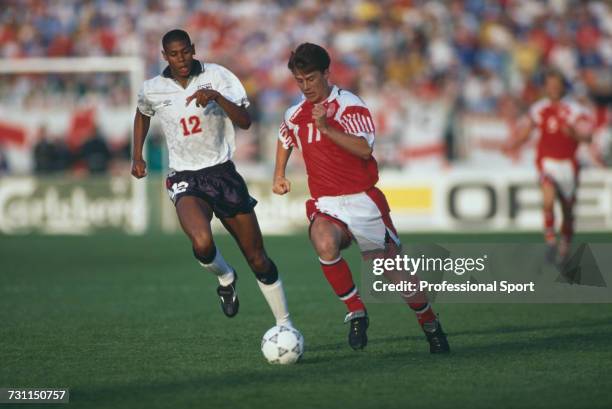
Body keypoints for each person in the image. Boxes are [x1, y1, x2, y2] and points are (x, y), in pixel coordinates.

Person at [273, 43, 449, 353]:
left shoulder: (350, 105)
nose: (305, 86)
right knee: (323, 240)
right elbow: (285, 135)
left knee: (395, 275)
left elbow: (364, 149)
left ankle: (430, 324)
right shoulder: (295, 112)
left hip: (364, 202)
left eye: (311, 78)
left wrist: (326, 127)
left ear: (327, 73)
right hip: (327, 203)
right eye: (299, 80)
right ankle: (356, 310)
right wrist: (279, 174)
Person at [131, 29, 292, 328]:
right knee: (202, 243)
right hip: (185, 177)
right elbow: (142, 113)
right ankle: (225, 276)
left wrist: (217, 97)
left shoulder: (218, 76)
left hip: (222, 173)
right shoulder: (153, 88)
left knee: (258, 260)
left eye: (185, 51)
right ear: (164, 56)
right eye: (174, 54)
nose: (181, 59)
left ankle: (285, 325)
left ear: (193, 48)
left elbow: (246, 121)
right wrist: (137, 155)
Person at [504, 70, 593, 263]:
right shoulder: (538, 109)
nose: (552, 89)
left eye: (556, 85)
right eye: (549, 85)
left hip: (568, 165)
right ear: (545, 87)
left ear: (562, 87)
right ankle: (551, 241)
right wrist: (513, 145)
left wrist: (573, 134)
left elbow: (588, 137)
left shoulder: (575, 110)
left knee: (568, 212)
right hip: (547, 162)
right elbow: (527, 132)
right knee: (548, 199)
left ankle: (564, 249)